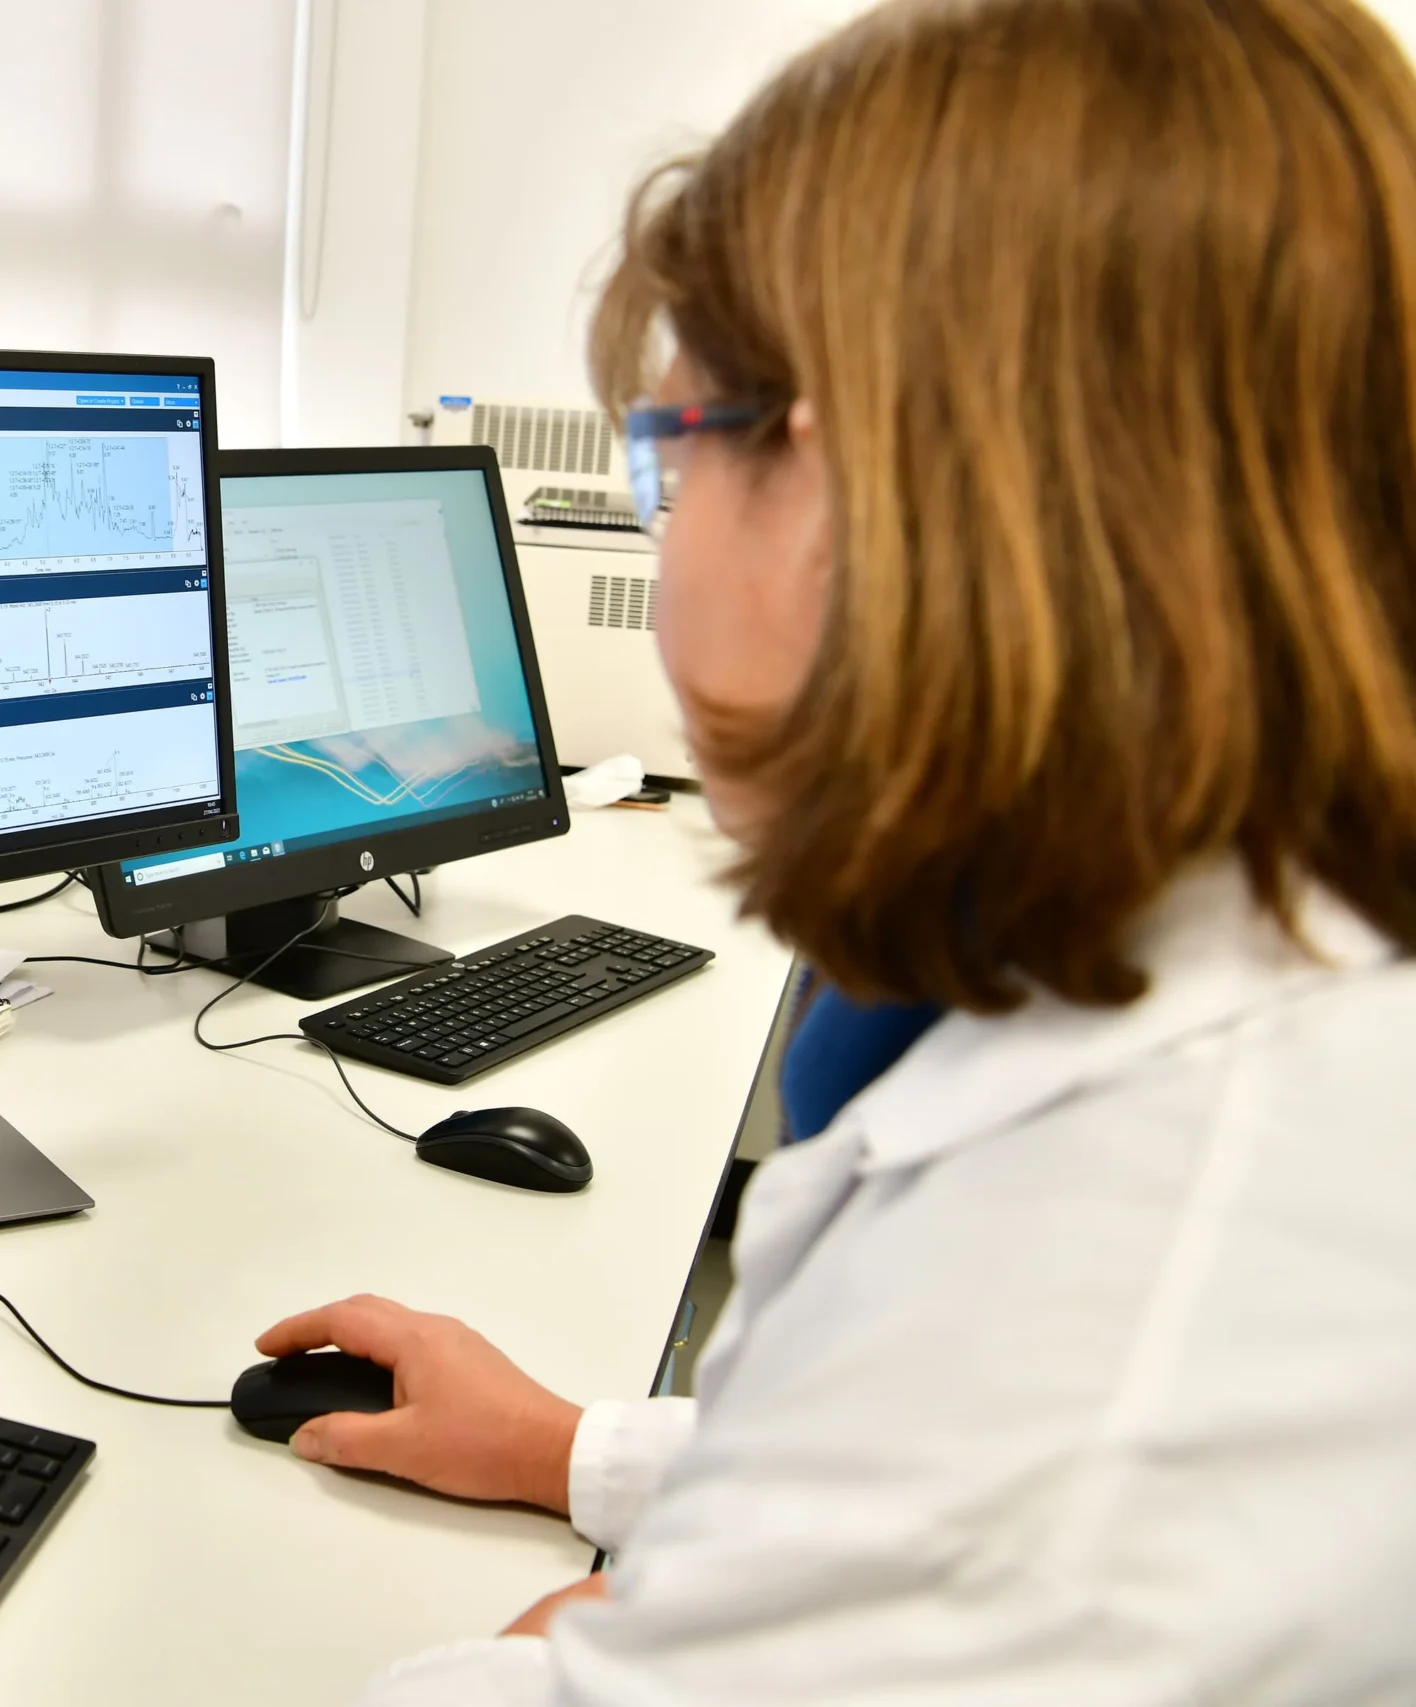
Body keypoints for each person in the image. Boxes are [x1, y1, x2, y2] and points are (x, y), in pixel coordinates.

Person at [264, 0, 1416, 1698]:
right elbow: (880, 1461)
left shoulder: (1116, 1340)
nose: (661, 559)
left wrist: (554, 1643)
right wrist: (575, 1448)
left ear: (873, 479)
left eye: (666, 462)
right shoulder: (1247, 972)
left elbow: (943, 1523)